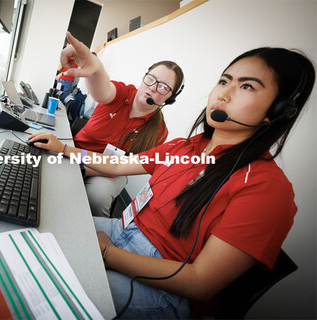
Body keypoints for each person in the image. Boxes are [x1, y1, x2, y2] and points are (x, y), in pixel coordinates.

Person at [28, 47, 315, 318]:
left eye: (247, 86)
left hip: (165, 286)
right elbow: (118, 164)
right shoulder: (183, 148)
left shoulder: (266, 188)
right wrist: (63, 148)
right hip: (123, 229)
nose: (224, 94)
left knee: (47, 290)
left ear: (275, 112)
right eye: (224, 80)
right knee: (43, 224)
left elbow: (200, 282)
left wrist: (106, 253)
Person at [56, 32, 184, 218]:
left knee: (97, 196)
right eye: (151, 79)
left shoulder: (159, 131)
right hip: (76, 153)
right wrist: (94, 67)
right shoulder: (121, 93)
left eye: (163, 87)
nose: (153, 88)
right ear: (143, 78)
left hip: (111, 172)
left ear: (169, 98)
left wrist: (85, 169)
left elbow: (126, 166)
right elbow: (103, 90)